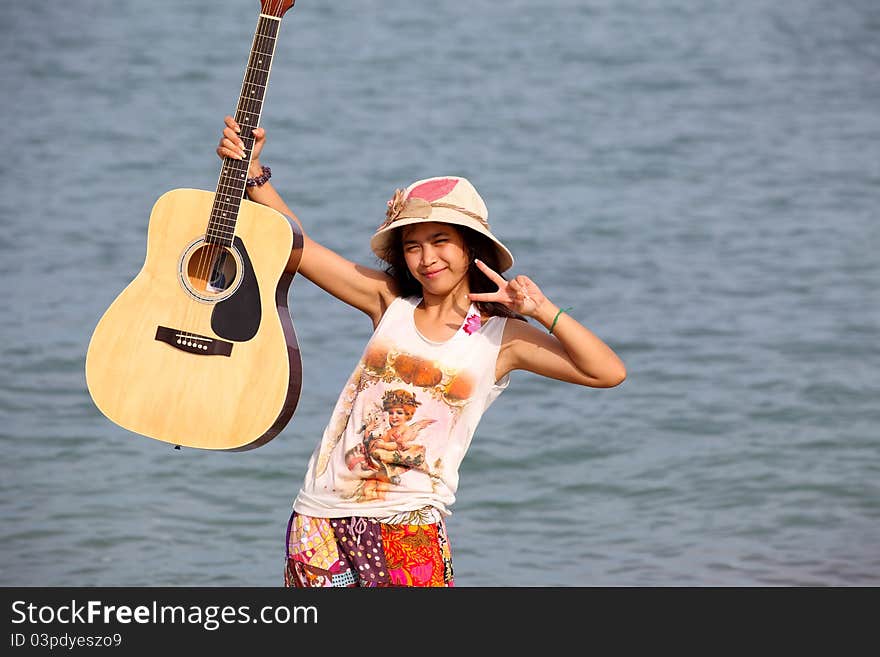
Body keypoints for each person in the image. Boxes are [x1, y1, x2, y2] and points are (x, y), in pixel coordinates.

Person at [216, 116, 627, 587]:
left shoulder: (502, 339)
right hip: (317, 521)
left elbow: (606, 372)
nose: (427, 258)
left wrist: (541, 308)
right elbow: (295, 247)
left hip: (408, 525)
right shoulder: (389, 303)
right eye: (412, 246)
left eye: (440, 241)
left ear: (471, 248)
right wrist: (252, 174)